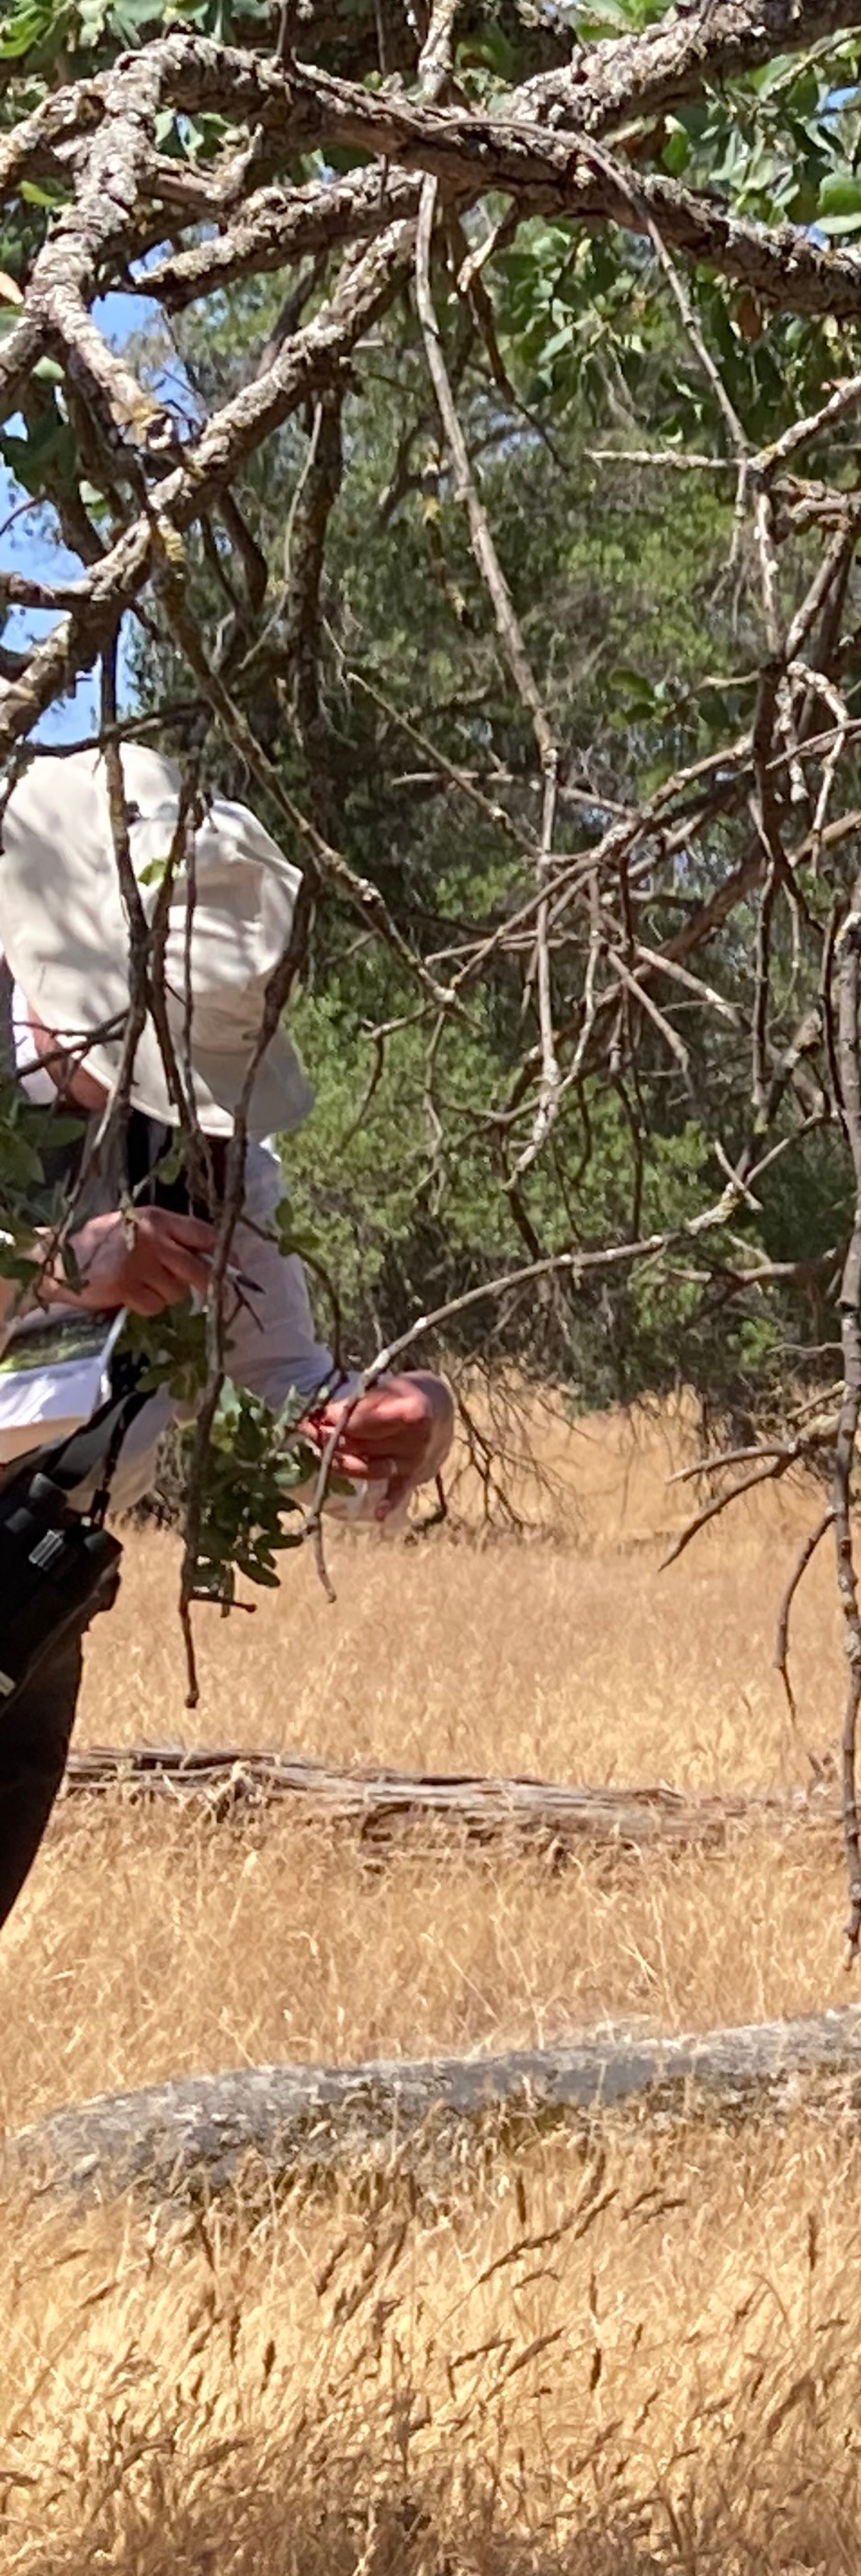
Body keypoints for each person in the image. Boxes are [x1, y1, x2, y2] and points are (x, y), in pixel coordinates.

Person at [0, 746, 456, 1940]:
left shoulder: (214, 1151)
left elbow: (281, 1375)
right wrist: (50, 1271)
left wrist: (364, 1419)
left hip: (28, 1602)